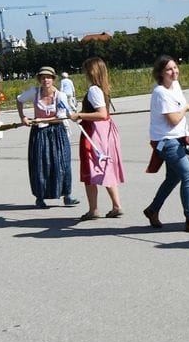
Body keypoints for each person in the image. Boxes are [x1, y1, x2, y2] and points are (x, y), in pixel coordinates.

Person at [143, 55, 189, 232]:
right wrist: (185, 108)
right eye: (169, 69)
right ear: (161, 73)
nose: (174, 71)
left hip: (178, 139)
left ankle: (153, 209)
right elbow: (173, 119)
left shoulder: (175, 85)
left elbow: (179, 108)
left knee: (173, 178)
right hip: (167, 142)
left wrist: (183, 108)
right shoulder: (160, 92)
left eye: (175, 67)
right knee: (188, 177)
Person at [66, 57, 124, 220]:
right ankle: (116, 205)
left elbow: (101, 114)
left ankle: (93, 209)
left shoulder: (93, 90)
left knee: (90, 170)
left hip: (95, 133)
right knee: (106, 167)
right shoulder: (102, 89)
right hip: (105, 132)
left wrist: (79, 114)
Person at [16, 66, 78, 209]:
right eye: (43, 77)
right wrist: (23, 117)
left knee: (63, 163)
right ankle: (40, 197)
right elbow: (19, 100)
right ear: (39, 79)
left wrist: (42, 120)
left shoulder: (60, 95)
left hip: (57, 132)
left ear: (53, 79)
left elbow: (61, 117)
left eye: (48, 77)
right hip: (39, 133)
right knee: (40, 165)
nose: (46, 80)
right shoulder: (35, 92)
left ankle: (67, 195)